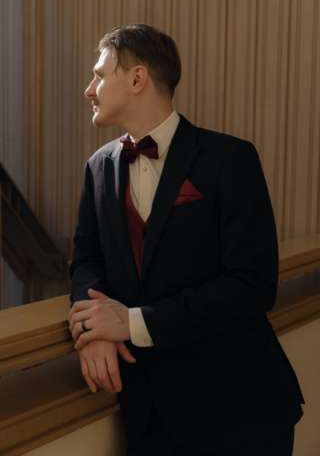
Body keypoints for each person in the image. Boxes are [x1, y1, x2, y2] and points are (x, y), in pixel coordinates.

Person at [68, 24, 304, 455]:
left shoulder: (229, 159)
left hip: (240, 414)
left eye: (100, 75)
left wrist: (132, 323)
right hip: (148, 417)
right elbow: (86, 260)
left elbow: (253, 286)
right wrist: (94, 326)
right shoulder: (97, 168)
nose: (89, 89)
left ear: (138, 78)